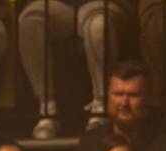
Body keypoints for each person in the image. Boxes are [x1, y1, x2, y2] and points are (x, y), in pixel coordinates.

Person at [18, 0, 130, 138]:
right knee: (30, 20)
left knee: (97, 25)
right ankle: (47, 108)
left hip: (103, 3)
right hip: (60, 5)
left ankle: (101, 105)